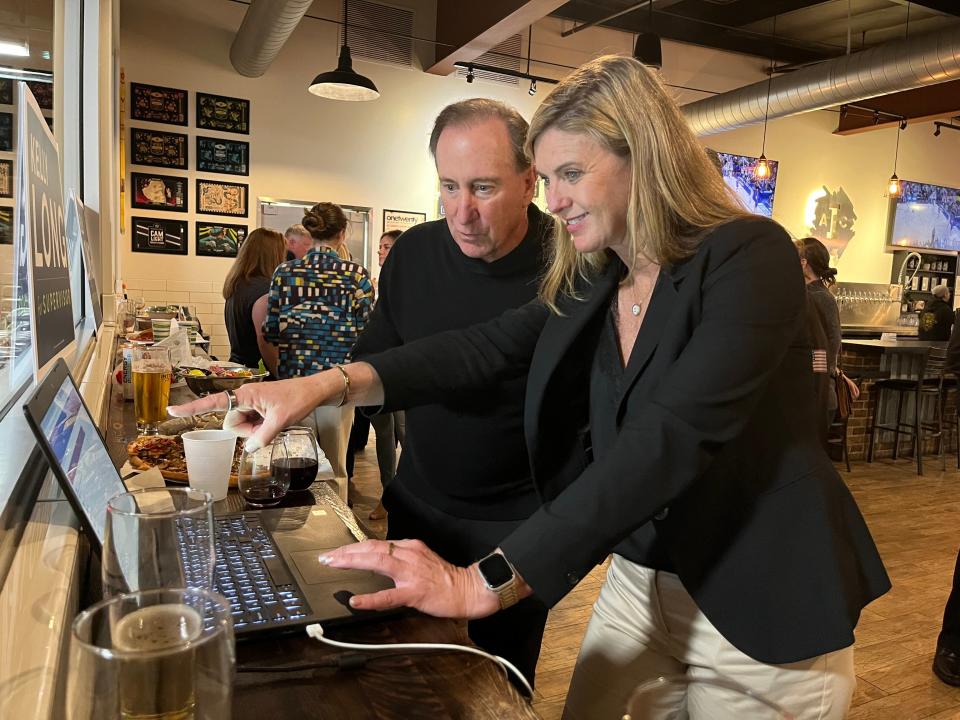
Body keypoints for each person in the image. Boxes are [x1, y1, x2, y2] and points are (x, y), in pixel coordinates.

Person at [170, 56, 889, 718]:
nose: (556, 199)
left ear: (643, 154)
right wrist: (323, 384)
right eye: (547, 180)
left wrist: (485, 582)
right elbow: (482, 348)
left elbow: (671, 436)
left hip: (761, 597)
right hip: (645, 584)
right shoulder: (598, 273)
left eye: (570, 173)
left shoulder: (748, 255)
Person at [350, 98, 551, 686]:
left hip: (515, 524)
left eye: (484, 188)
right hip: (420, 501)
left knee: (497, 684)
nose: (462, 212)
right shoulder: (413, 253)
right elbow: (376, 356)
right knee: (407, 672)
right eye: (449, 186)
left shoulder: (569, 263)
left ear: (528, 183)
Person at [260, 203, 374, 501]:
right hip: (339, 385)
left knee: (293, 466)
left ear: (309, 231)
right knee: (337, 469)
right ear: (342, 233)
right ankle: (337, 534)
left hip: (295, 385)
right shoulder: (357, 276)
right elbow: (368, 335)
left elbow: (270, 330)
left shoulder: (284, 274)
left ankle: (297, 533)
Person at [367, 229, 405, 522]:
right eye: (380, 246)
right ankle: (388, 495)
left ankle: (395, 495)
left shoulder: (409, 283)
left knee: (402, 432)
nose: (381, 252)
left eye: (387, 246)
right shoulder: (380, 284)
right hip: (380, 369)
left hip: (400, 370)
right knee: (384, 431)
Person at [222, 227, 285, 370]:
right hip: (257, 375)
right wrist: (282, 376)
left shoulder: (237, 284)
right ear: (274, 254)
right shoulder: (264, 291)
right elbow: (265, 342)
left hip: (238, 367)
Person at [796, 237, 841, 433]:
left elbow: (830, 340)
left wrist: (819, 374)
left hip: (816, 393)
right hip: (812, 388)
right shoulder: (810, 294)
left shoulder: (819, 297)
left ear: (804, 263)